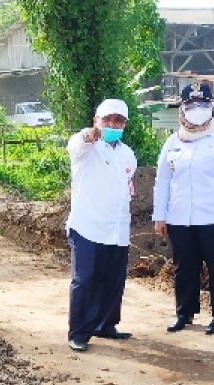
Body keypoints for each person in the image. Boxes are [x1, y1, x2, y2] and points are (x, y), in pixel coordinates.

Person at [151, 82, 214, 335]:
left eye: (203, 104)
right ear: (182, 108)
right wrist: (160, 215)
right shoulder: (173, 142)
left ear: (211, 106)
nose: (197, 110)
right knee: (184, 266)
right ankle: (185, 312)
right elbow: (163, 181)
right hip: (180, 217)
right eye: (191, 105)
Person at [64, 97, 137, 352]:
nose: (113, 124)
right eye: (107, 119)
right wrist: (90, 134)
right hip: (88, 227)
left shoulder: (128, 154)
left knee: (113, 280)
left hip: (117, 229)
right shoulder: (87, 148)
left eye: (118, 120)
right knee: (85, 279)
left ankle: (106, 325)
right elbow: (77, 144)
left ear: (125, 124)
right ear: (96, 120)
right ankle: (79, 332)